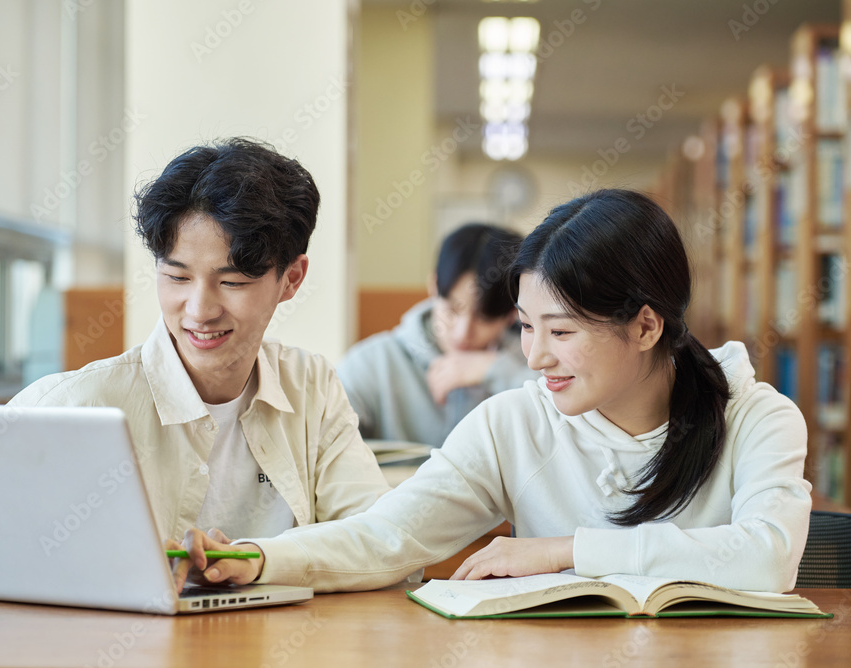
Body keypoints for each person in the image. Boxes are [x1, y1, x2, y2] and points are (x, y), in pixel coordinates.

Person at [175, 189, 811, 594]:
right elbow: (388, 537)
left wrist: (562, 552)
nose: (534, 357)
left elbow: (766, 560)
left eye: (561, 331)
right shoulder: (511, 424)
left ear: (647, 324)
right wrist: (259, 557)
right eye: (528, 327)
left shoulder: (758, 417)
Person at [0, 138, 392, 585]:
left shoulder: (310, 387)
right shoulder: (80, 401)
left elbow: (384, 538)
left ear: (291, 280)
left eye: (232, 282)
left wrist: (259, 558)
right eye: (176, 277)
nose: (199, 309)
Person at [338, 223, 537, 447]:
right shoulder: (371, 363)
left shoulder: (535, 365)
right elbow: (326, 448)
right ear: (433, 287)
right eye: (452, 309)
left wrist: (497, 371)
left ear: (513, 313)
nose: (463, 334)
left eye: (485, 318)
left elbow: (561, 424)